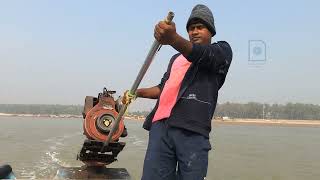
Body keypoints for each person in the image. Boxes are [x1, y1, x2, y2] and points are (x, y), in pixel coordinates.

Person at [123, 4, 233, 180]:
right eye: (190, 28)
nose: (194, 32)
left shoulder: (221, 51)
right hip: (160, 127)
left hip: (192, 127)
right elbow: (162, 88)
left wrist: (173, 39)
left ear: (211, 31)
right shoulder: (176, 59)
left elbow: (202, 56)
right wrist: (136, 92)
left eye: (200, 27)